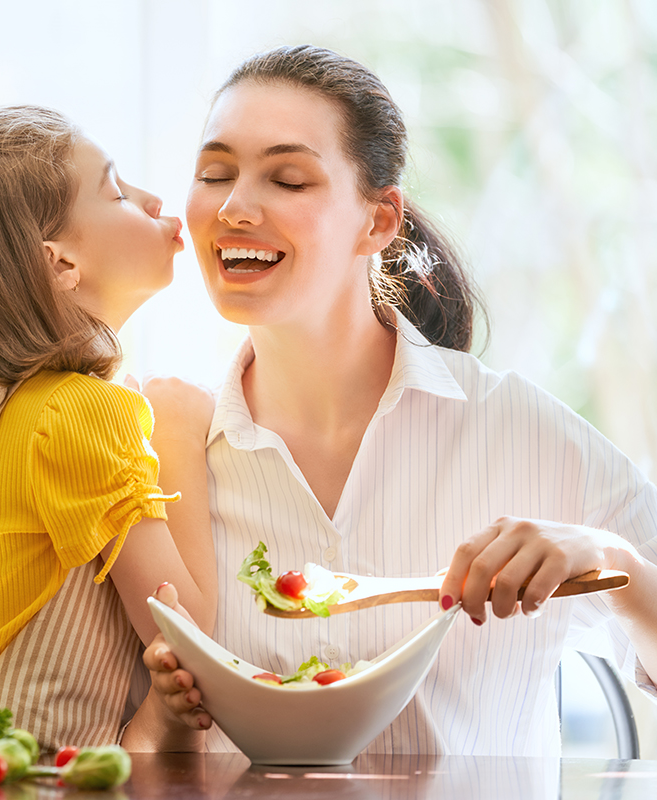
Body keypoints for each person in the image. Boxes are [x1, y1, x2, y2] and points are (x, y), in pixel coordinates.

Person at [126, 45, 657, 756]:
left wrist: (607, 555)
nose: (233, 207)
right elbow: (118, 752)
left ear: (378, 222)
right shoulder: (163, 456)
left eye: (286, 179)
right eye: (215, 173)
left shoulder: (519, 430)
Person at [0, 106, 217, 752]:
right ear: (58, 265)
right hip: (43, 778)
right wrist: (179, 437)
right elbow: (193, 639)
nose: (152, 198)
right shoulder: (79, 413)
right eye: (116, 190)